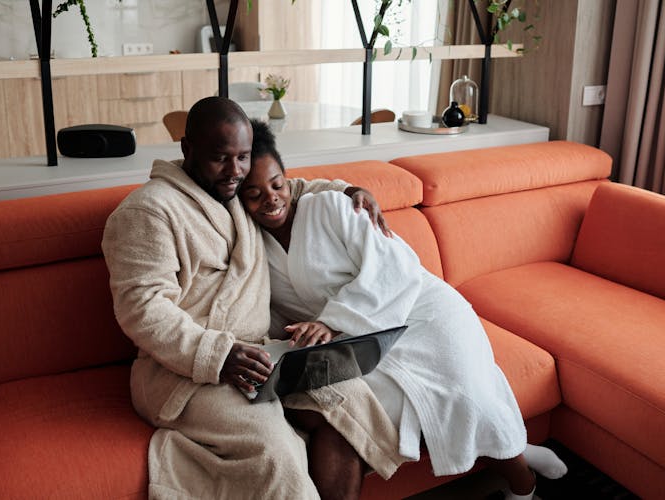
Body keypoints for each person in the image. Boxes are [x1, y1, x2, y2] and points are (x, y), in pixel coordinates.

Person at [239, 120, 569, 500]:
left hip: (421, 311)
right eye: (254, 194)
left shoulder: (331, 207)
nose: (271, 199)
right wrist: (298, 335)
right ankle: (517, 449)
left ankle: (522, 485)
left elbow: (395, 269)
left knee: (466, 393)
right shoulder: (254, 247)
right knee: (375, 410)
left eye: (277, 184)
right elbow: (278, 311)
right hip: (356, 338)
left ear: (288, 178)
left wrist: (331, 320)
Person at [101, 96, 400, 500]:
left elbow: (290, 189)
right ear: (187, 149)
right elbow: (142, 309)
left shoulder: (239, 192)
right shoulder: (147, 212)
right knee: (274, 451)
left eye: (242, 157)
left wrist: (348, 190)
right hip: (185, 372)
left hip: (264, 356)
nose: (235, 171)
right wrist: (218, 356)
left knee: (348, 409)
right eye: (221, 158)